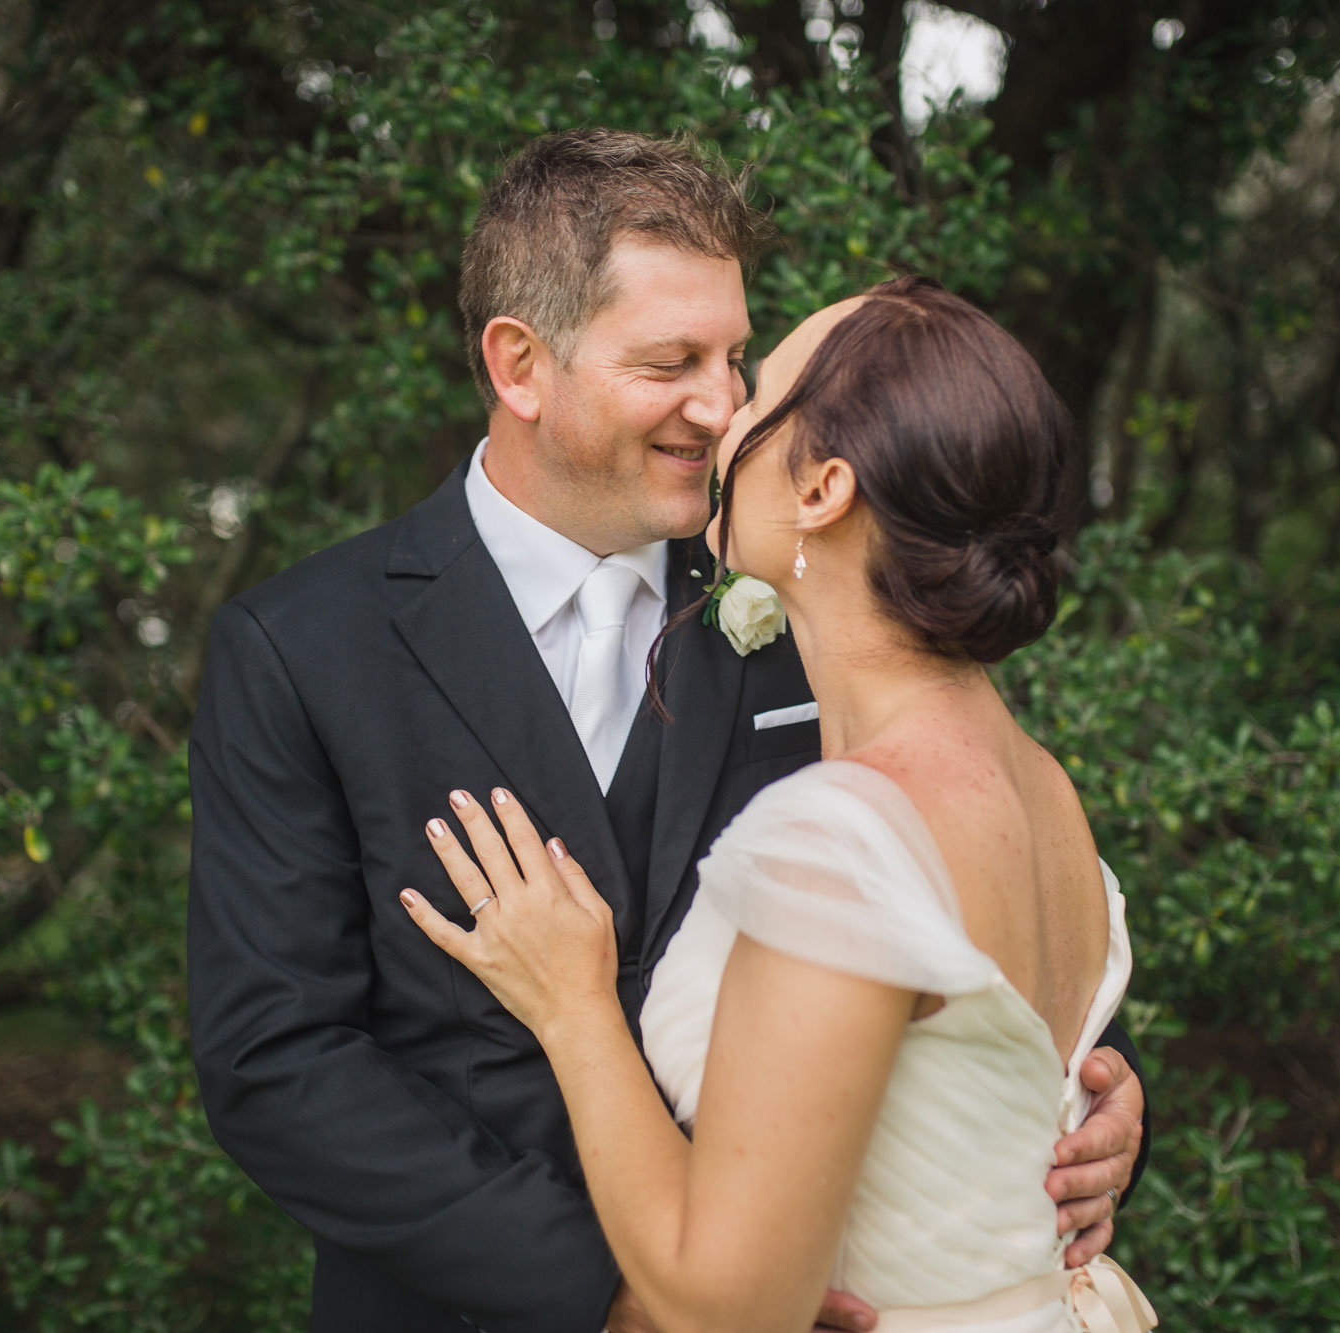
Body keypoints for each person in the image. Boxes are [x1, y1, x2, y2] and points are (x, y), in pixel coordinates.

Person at [189, 132, 1148, 1333]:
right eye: (672, 361)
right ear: (521, 365)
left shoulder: (824, 591)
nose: (723, 403)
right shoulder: (301, 647)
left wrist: (1080, 1111)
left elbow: (967, 891)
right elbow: (277, 1060)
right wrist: (611, 1297)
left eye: (738, 357)